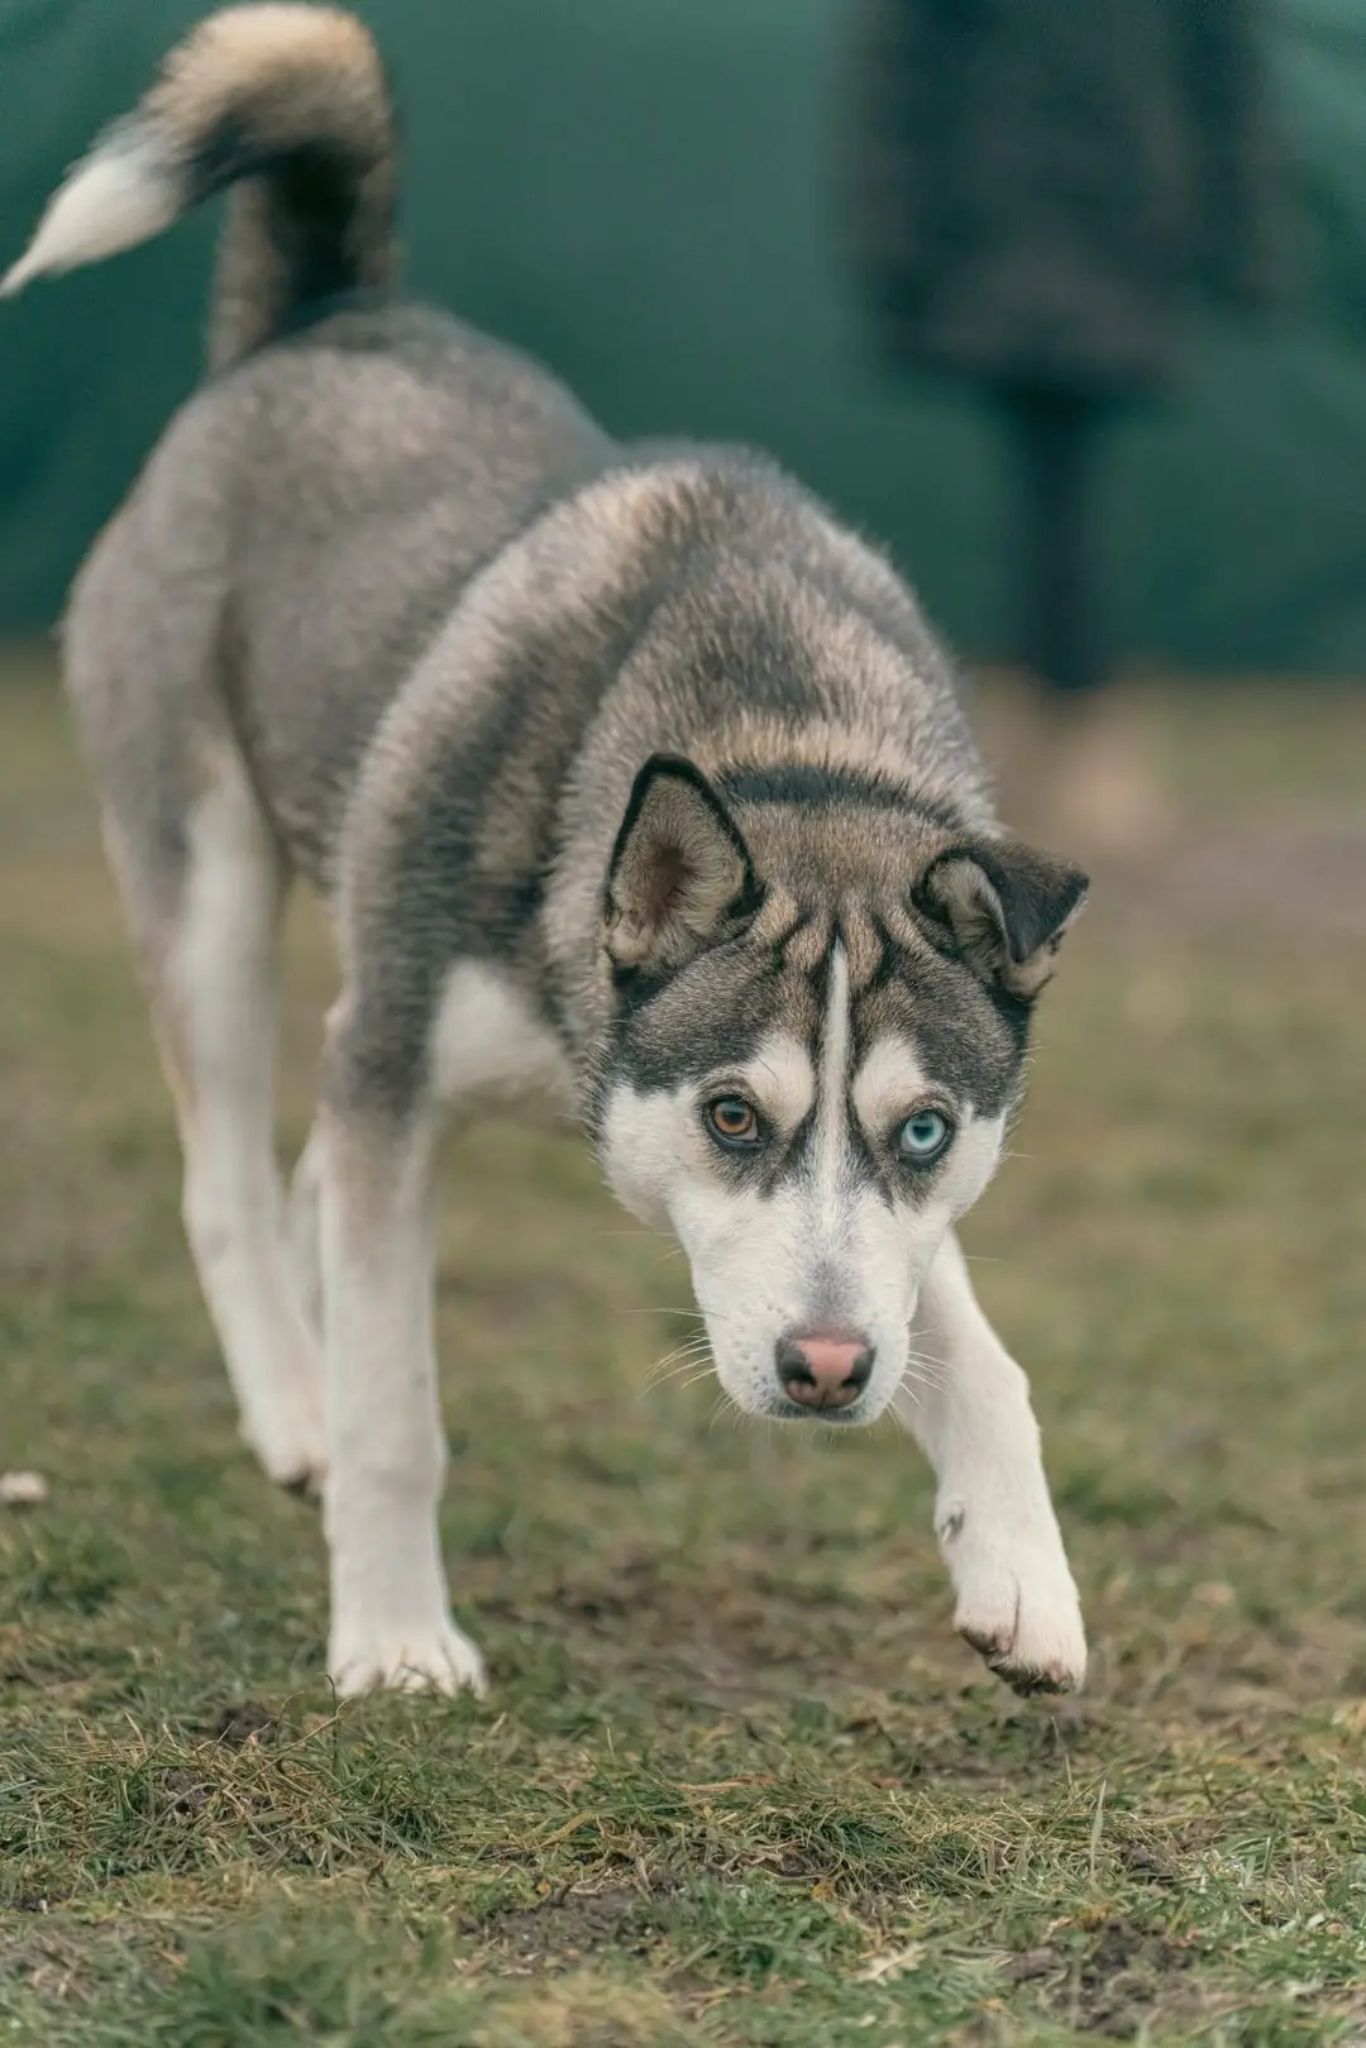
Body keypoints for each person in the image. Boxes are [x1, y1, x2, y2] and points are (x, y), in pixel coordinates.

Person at [852, 0, 1276, 852]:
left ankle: (1073, 724)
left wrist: (1243, 242)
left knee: (1059, 488)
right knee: (1051, 487)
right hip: (1008, 234)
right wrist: (899, 236)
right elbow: (904, 75)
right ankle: (1064, 721)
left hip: (1110, 232)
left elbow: (1223, 75)